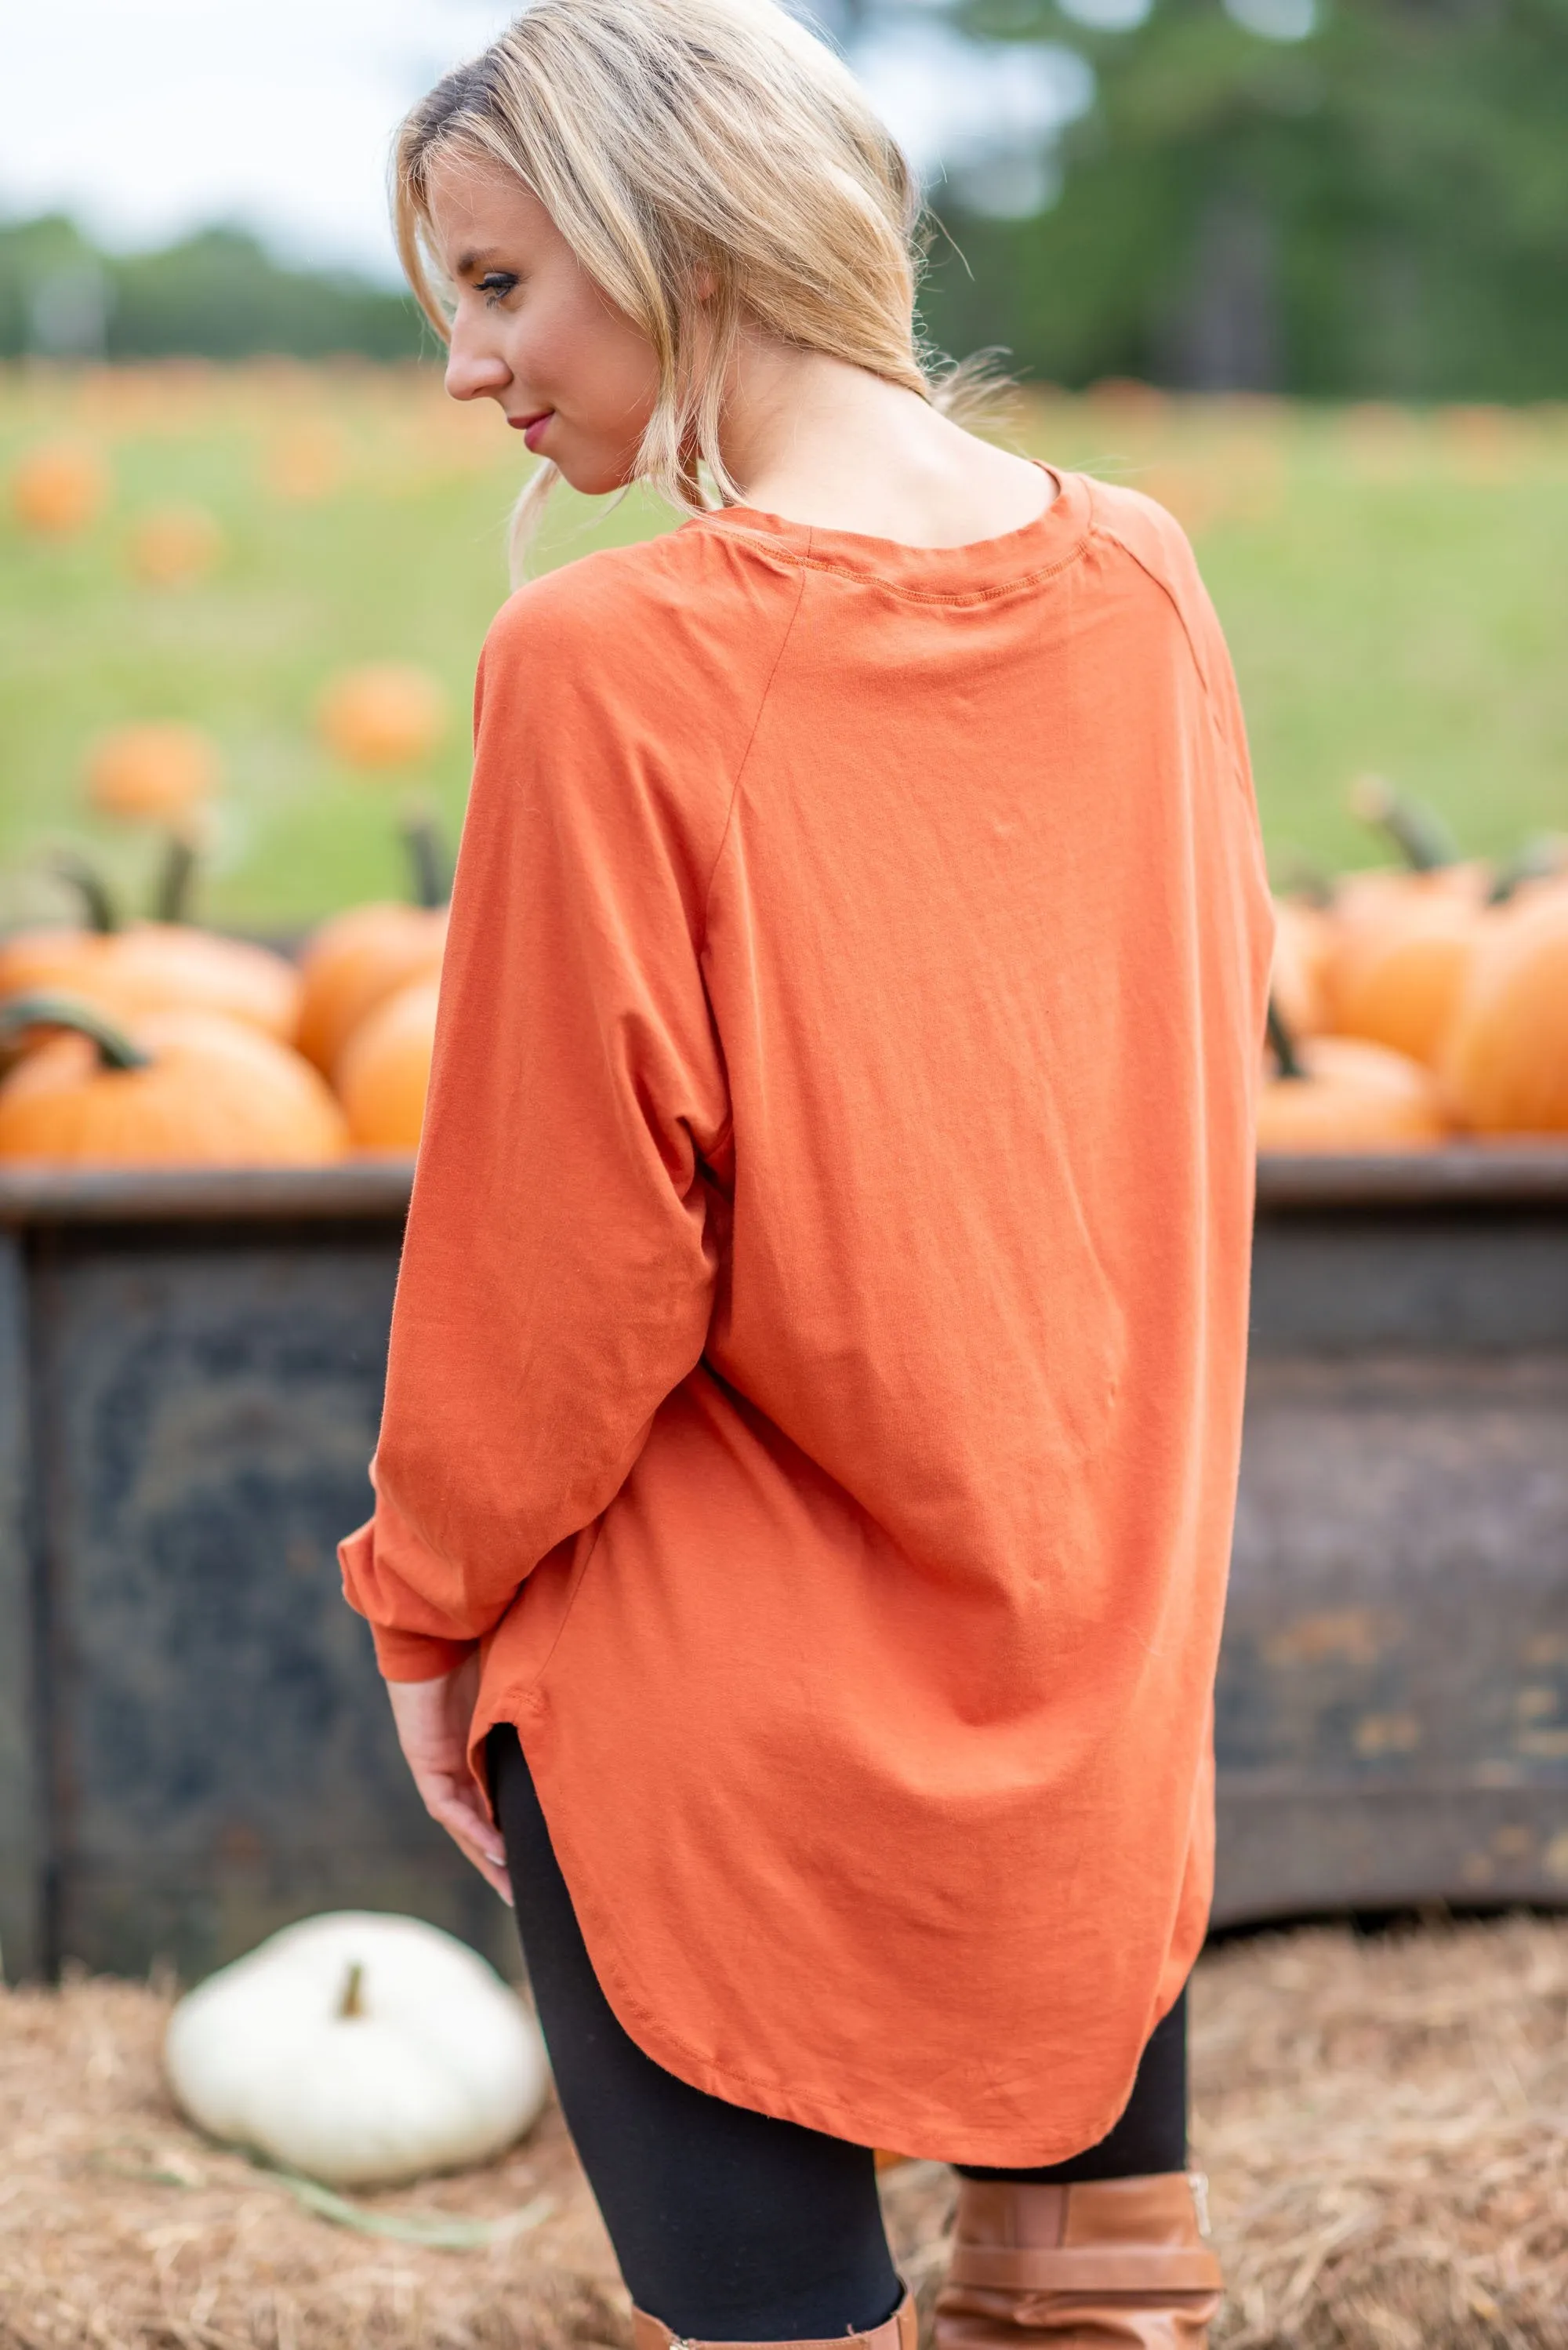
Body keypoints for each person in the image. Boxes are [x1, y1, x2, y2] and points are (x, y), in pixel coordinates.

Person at [338, 2, 1273, 2345]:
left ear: (677, 224)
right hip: (1090, 1666)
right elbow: (1181, 1081)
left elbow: (557, 1270)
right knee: (1092, 2307)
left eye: (497, 283)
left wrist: (428, 1605)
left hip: (727, 1720)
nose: (474, 372)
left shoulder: (611, 666)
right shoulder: (1145, 579)